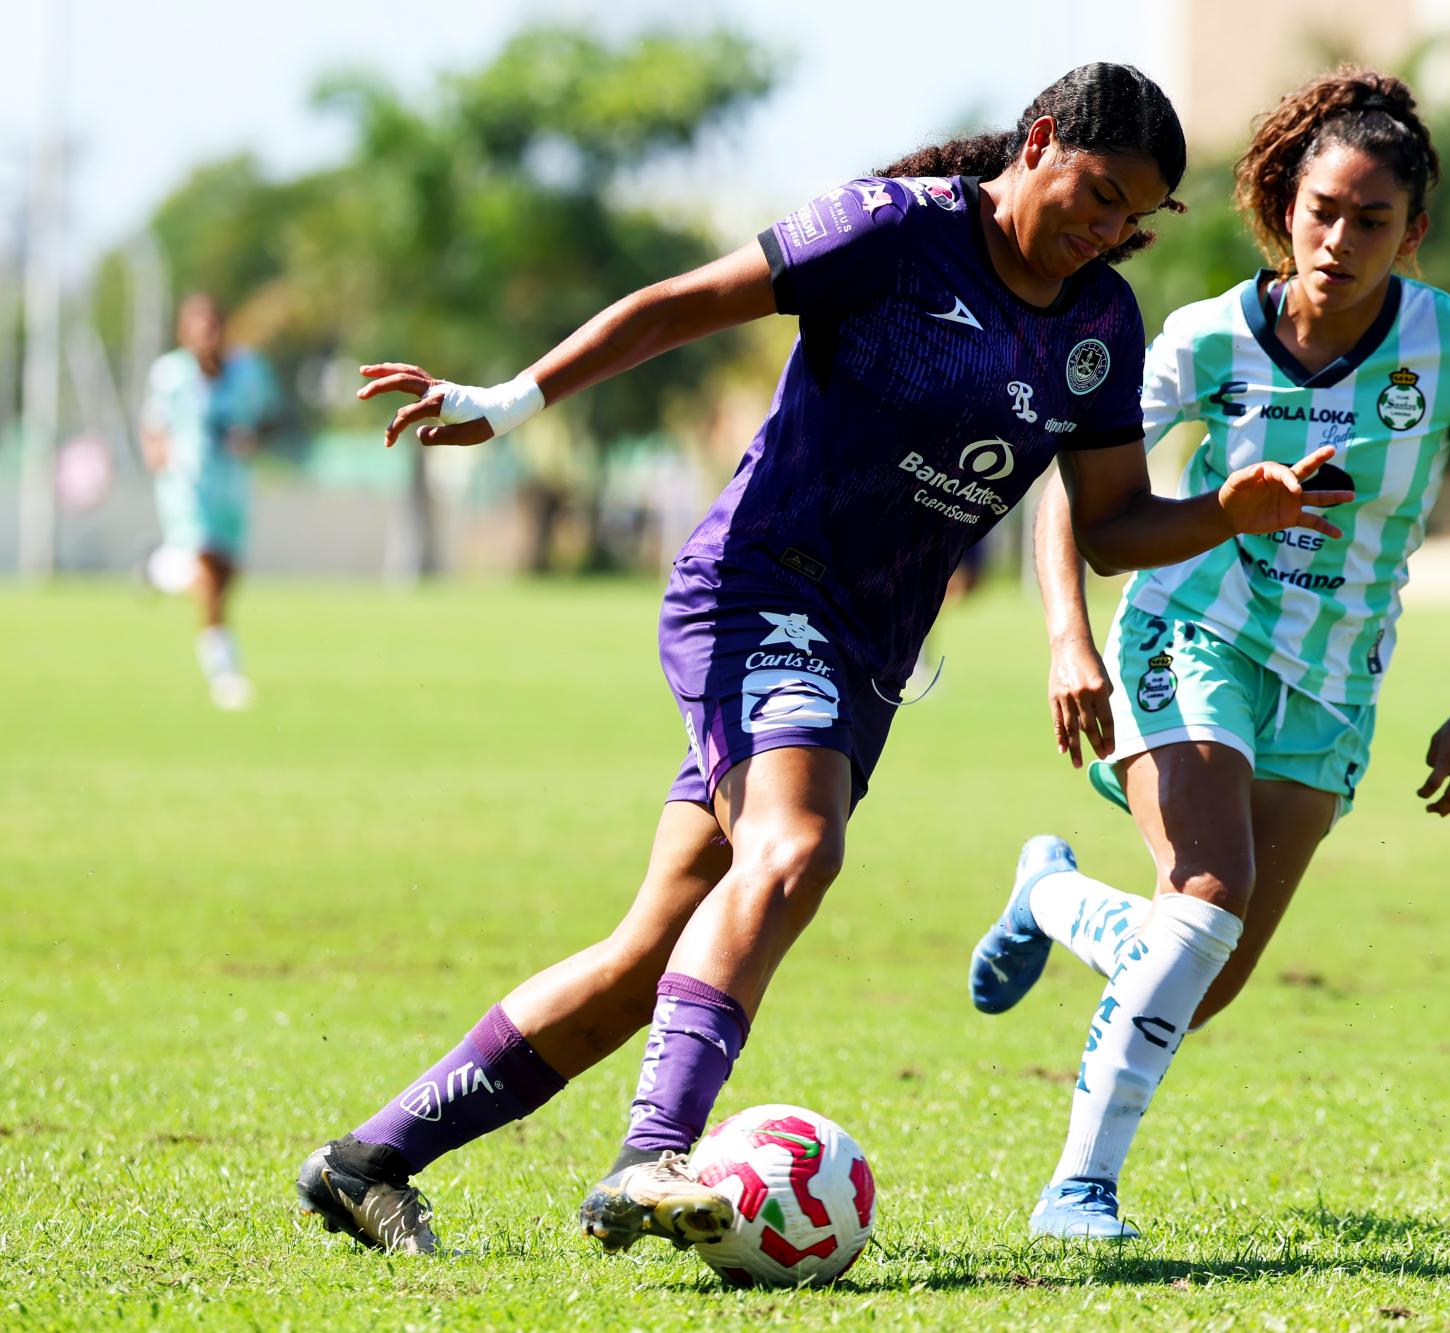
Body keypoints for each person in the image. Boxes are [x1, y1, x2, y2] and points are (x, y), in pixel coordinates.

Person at [294, 63, 1357, 1258]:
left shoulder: (1099, 324)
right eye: (1098, 194)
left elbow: (1110, 527)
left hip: (865, 653)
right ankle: (651, 1155)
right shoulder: (894, 233)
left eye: (1133, 218)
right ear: (1043, 140)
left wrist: (1226, 506)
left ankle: (367, 1157)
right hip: (757, 594)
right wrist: (514, 397)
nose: (1107, 232)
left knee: (657, 950)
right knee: (797, 849)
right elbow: (680, 302)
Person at [967, 67, 1450, 1239]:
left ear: (1411, 233)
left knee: (1202, 974)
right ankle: (1077, 1189)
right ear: (1288, 207)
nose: (1337, 239)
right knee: (1206, 896)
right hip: (1190, 630)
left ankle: (1054, 894)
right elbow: (1074, 488)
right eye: (1320, 210)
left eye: (1370, 221)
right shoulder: (1204, 340)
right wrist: (1067, 637)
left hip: (1332, 681)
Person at [139, 293, 280, 710]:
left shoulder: (250, 371)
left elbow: (273, 418)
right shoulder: (170, 375)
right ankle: (225, 674)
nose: (205, 337)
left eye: (212, 327)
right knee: (208, 576)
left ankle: (156, 568)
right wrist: (159, 453)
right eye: (197, 329)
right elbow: (154, 426)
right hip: (187, 489)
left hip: (231, 489)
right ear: (184, 333)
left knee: (225, 574)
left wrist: (253, 438)